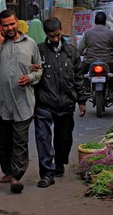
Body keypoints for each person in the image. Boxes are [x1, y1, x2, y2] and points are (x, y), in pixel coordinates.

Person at [0, 9, 42, 194]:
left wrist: (30, 77)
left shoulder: (30, 44)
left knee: (20, 141)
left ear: (17, 22)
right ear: (0, 27)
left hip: (23, 101)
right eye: (5, 25)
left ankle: (17, 176)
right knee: (2, 141)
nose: (9, 28)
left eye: (12, 24)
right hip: (1, 102)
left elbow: (39, 69)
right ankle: (8, 171)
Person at [33, 18, 86, 187]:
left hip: (66, 103)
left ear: (61, 31)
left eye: (57, 35)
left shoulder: (72, 52)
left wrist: (82, 100)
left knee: (64, 139)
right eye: (51, 36)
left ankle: (59, 163)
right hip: (44, 103)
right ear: (46, 35)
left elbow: (79, 78)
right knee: (43, 138)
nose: (55, 39)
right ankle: (47, 174)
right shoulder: (39, 51)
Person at [77, 11, 113, 91]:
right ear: (105, 21)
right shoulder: (111, 33)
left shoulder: (87, 33)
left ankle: (84, 87)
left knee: (80, 70)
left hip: (90, 61)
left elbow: (79, 49)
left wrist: (81, 53)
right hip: (108, 61)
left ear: (95, 21)